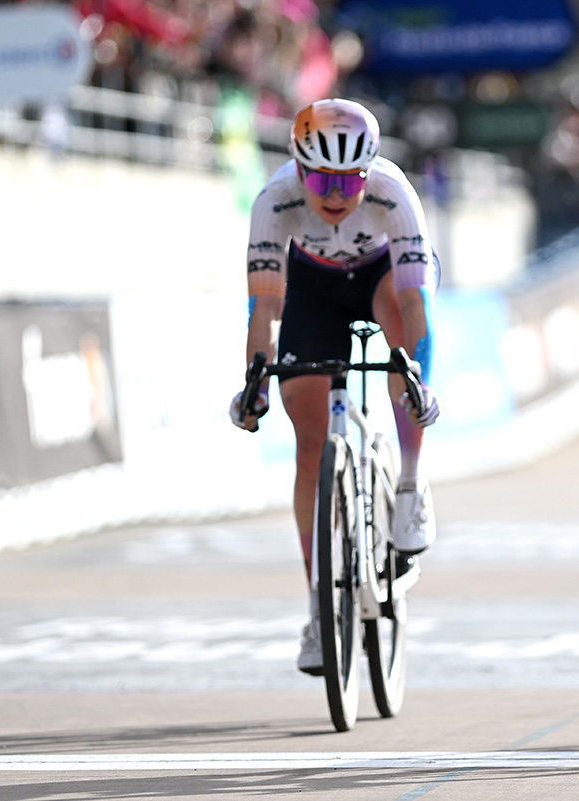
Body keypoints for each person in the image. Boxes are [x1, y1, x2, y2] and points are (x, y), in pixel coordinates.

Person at [229, 98, 440, 675]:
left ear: (370, 172)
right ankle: (321, 613)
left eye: (351, 181)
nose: (337, 195)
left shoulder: (394, 194)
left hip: (381, 279)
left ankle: (410, 485)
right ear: (298, 169)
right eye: (323, 178)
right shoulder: (274, 201)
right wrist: (256, 381)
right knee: (307, 437)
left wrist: (419, 375)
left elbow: (416, 300)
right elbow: (266, 304)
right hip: (311, 289)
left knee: (400, 345)